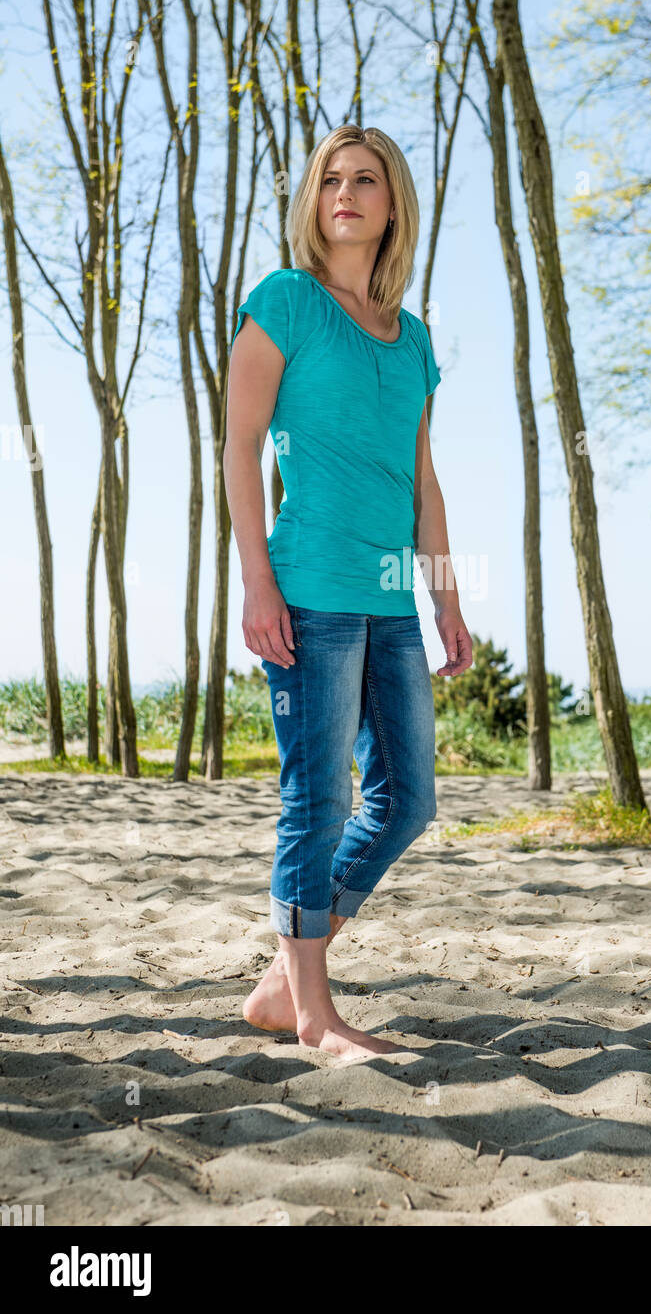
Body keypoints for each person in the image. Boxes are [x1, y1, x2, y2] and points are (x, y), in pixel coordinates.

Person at [224, 123, 473, 1062]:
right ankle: (317, 1018)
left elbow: (423, 480)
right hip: (309, 591)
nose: (346, 192)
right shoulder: (285, 301)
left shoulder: (410, 340)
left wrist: (445, 597)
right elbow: (239, 448)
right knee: (316, 798)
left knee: (407, 799)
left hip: (388, 598)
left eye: (366, 179)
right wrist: (256, 580)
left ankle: (287, 982)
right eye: (331, 179)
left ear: (392, 203)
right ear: (313, 202)